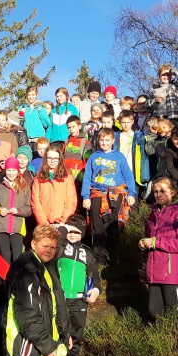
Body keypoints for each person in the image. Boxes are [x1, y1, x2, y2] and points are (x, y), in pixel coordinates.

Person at [3, 225, 70, 356]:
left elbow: (58, 303)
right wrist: (46, 345)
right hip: (27, 346)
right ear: (33, 244)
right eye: (45, 246)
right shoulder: (26, 270)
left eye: (53, 247)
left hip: (48, 339)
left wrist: (66, 334)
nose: (49, 251)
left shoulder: (48, 265)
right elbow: (27, 314)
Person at [140, 177, 178, 318]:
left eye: (162, 191)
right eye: (155, 191)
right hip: (154, 273)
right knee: (154, 313)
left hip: (173, 274)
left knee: (174, 314)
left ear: (172, 192)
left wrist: (156, 242)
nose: (158, 195)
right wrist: (144, 242)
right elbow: (151, 238)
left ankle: (176, 340)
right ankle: (160, 340)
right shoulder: (152, 214)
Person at [82, 128, 136, 265]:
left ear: (113, 141)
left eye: (107, 140)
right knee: (97, 226)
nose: (104, 143)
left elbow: (128, 176)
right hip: (97, 195)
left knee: (113, 226)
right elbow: (87, 177)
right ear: (98, 140)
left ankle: (113, 259)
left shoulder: (119, 156)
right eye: (102, 140)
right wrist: (85, 196)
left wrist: (132, 193)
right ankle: (98, 260)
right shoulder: (94, 156)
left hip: (115, 195)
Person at [56, 215, 100, 356]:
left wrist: (95, 290)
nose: (73, 235)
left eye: (77, 232)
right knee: (58, 333)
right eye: (70, 231)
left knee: (76, 335)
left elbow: (94, 276)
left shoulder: (87, 252)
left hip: (79, 301)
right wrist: (62, 232)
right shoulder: (59, 247)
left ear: (82, 234)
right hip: (59, 299)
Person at [0, 157, 33, 263]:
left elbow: (29, 209)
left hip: (17, 227)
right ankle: (5, 278)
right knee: (5, 255)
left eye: (14, 170)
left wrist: (18, 211)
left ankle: (16, 278)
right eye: (8, 170)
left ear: (18, 171)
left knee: (17, 256)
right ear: (5, 171)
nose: (11, 173)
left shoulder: (24, 188)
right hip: (1, 226)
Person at [0, 110, 27, 193]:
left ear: (6, 121)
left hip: (7, 168)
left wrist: (7, 162)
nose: (1, 122)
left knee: (5, 190)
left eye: (3, 120)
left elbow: (14, 151)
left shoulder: (10, 135)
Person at [32, 147, 77, 226]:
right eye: (49, 158)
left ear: (60, 159)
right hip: (44, 224)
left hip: (61, 223)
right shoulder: (38, 179)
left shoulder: (67, 177)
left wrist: (63, 220)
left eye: (55, 158)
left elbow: (71, 200)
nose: (52, 161)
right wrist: (43, 222)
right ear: (45, 159)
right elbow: (35, 202)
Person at [114, 110, 150, 196]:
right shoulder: (116, 136)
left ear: (132, 122)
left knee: (133, 198)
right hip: (119, 171)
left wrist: (144, 176)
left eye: (128, 122)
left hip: (134, 171)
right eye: (123, 122)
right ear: (119, 122)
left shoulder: (138, 136)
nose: (126, 125)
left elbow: (144, 156)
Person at [19, 86, 51, 150]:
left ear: (37, 95)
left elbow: (47, 123)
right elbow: (19, 123)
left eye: (33, 95)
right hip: (26, 139)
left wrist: (41, 111)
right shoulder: (23, 107)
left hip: (38, 139)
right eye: (29, 95)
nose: (31, 97)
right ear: (26, 95)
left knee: (38, 159)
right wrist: (21, 113)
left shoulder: (41, 107)